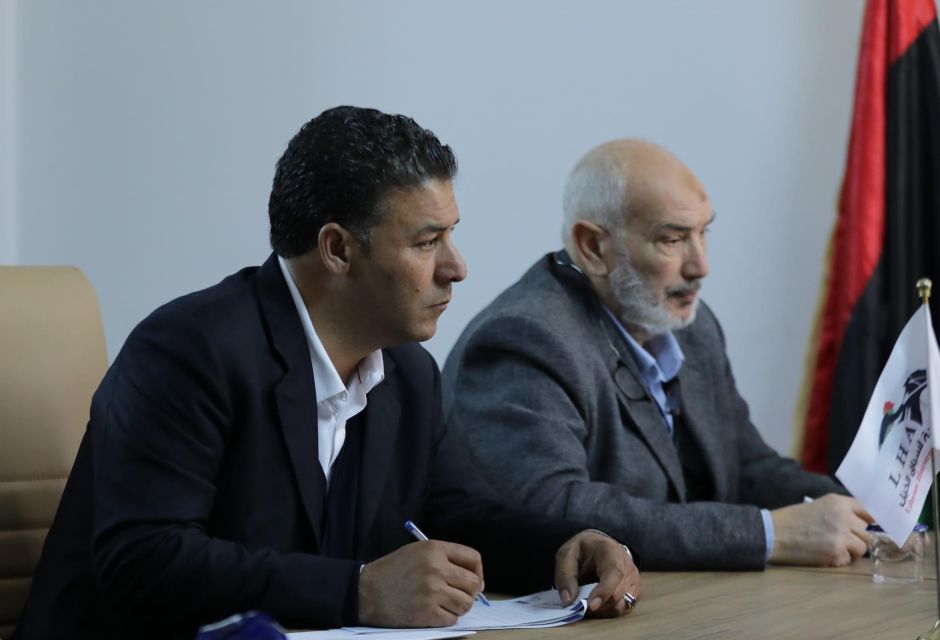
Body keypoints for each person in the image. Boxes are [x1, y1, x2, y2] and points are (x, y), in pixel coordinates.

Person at [13, 108, 640, 639]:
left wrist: (565, 547)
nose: (457, 267)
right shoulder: (189, 349)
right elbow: (142, 562)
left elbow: (458, 515)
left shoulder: (408, 373)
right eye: (427, 242)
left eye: (451, 236)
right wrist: (357, 590)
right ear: (338, 249)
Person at [441, 139, 873, 571]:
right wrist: (767, 534)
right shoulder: (524, 339)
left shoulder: (691, 326)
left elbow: (745, 465)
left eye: (704, 233)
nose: (700, 266)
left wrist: (865, 515)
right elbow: (553, 509)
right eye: (672, 239)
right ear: (593, 247)